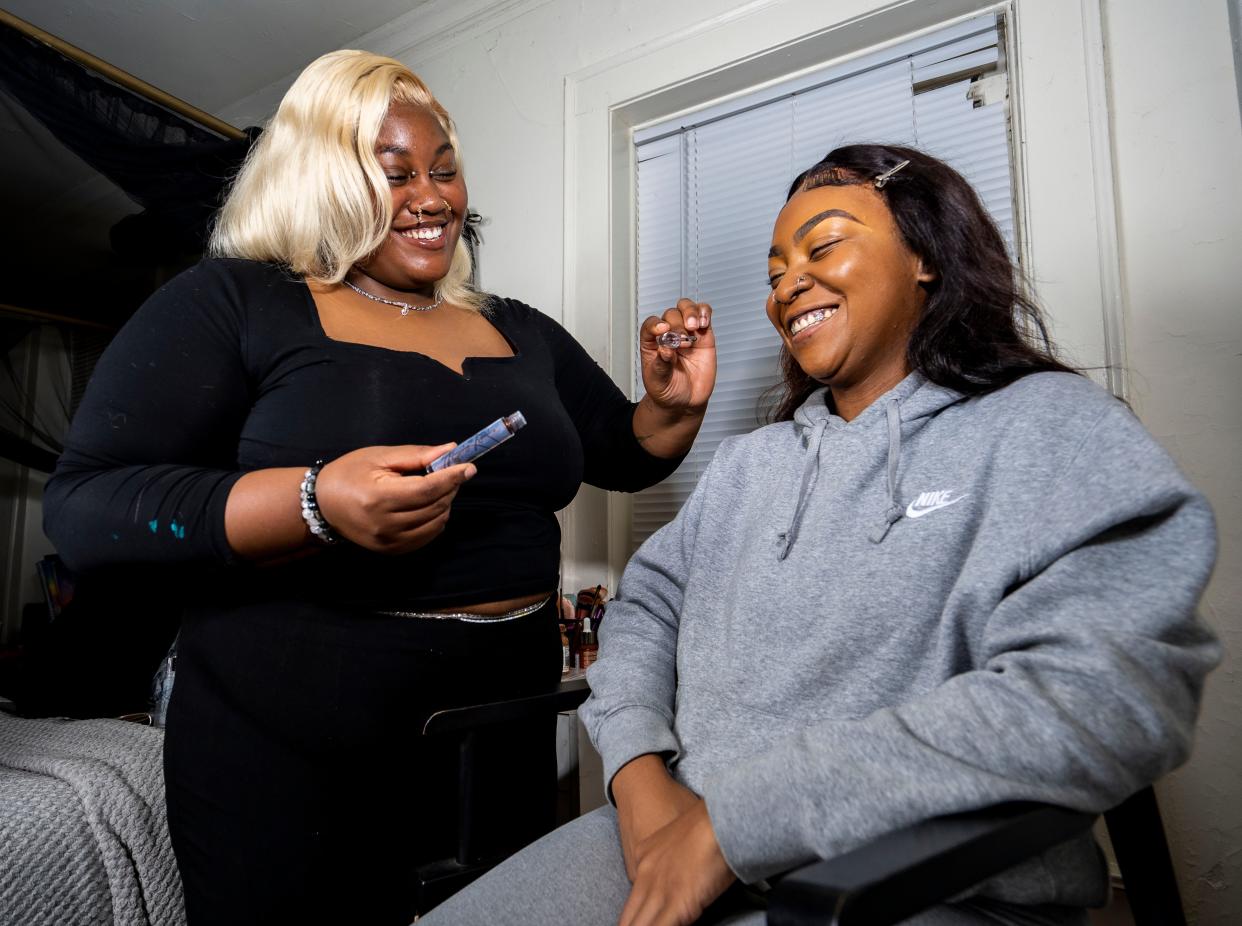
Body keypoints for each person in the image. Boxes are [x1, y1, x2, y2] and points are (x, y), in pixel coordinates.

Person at [421, 145, 1221, 926]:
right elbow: (647, 610)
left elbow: (1108, 699)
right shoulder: (748, 466)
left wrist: (735, 824)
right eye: (774, 274)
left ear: (926, 257)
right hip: (668, 836)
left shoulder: (1050, 427)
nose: (788, 284)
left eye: (824, 244)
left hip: (925, 883)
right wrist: (638, 778)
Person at [41, 50, 716, 926]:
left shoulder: (517, 329)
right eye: (394, 175)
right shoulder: (235, 302)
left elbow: (625, 453)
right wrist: (313, 502)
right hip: (290, 746)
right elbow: (87, 506)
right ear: (320, 180)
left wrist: (672, 407)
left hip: (496, 733)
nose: (433, 198)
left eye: (444, 170)